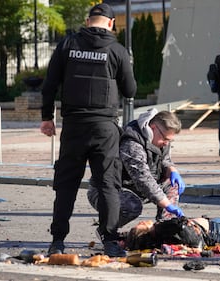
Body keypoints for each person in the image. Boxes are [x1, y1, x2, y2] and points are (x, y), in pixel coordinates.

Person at [40, 3, 137, 257]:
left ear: (87, 21)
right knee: (108, 185)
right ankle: (110, 241)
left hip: (74, 126)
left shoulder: (67, 45)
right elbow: (130, 91)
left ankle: (57, 241)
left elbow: (49, 83)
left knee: (66, 184)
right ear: (111, 24)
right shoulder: (117, 50)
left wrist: (47, 118)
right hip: (104, 128)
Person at [87, 109, 185, 232]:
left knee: (172, 184)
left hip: (135, 189)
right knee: (131, 206)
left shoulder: (161, 139)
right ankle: (107, 230)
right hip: (107, 190)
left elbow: (164, 159)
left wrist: (171, 170)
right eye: (165, 139)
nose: (166, 144)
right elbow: (143, 179)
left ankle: (164, 229)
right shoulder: (132, 143)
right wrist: (167, 204)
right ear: (153, 128)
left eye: (170, 141)